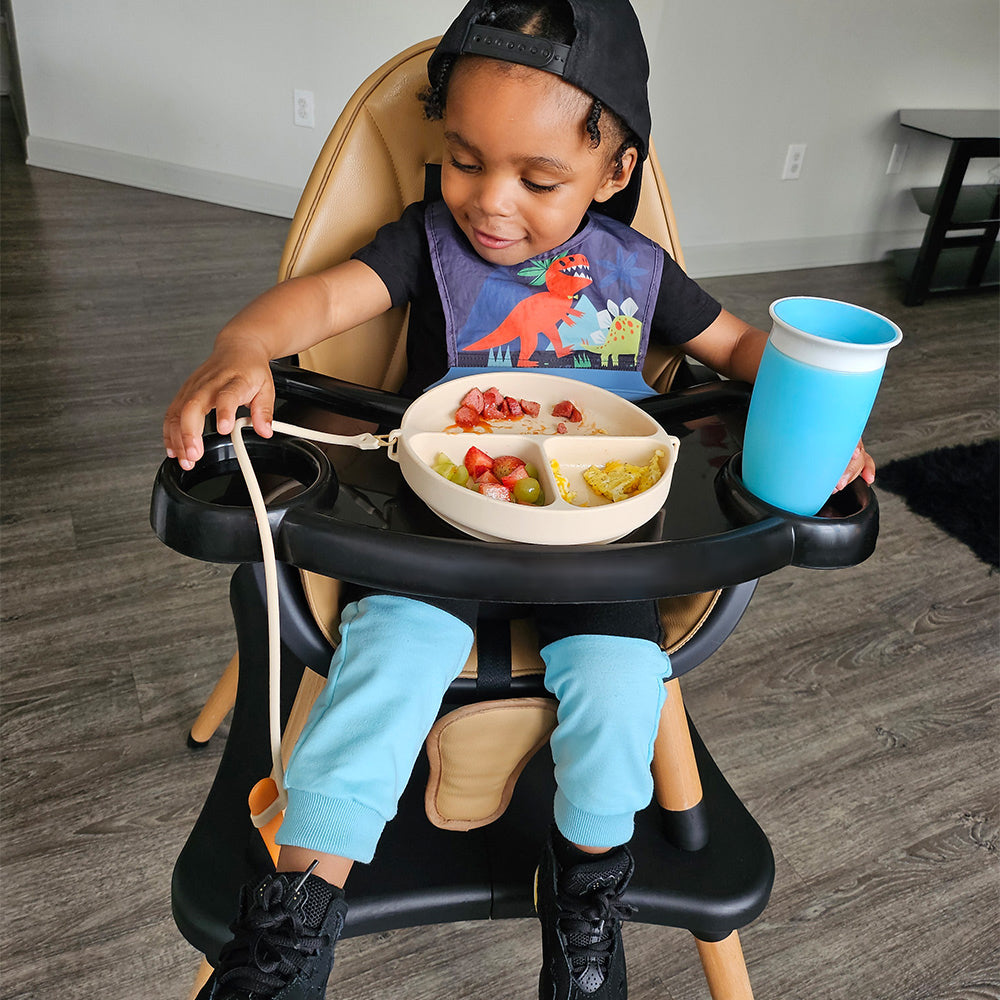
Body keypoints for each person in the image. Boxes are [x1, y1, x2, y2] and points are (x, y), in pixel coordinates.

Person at [165, 3, 875, 998]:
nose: (491, 204)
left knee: (623, 695)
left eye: (539, 180)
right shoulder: (425, 245)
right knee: (382, 672)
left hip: (601, 544)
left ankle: (585, 893)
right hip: (439, 530)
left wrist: (813, 414)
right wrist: (242, 347)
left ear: (612, 174)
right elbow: (319, 303)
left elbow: (737, 350)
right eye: (463, 162)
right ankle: (292, 922)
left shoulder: (638, 275)